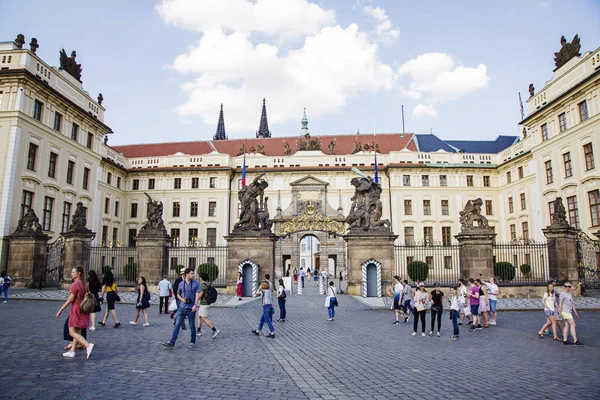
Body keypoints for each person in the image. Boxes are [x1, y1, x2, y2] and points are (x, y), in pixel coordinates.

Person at [56, 266, 95, 359]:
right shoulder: (84, 284)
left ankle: (88, 345)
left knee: (72, 332)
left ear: (79, 273)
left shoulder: (75, 284)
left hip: (76, 310)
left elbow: (71, 299)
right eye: (72, 272)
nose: (71, 273)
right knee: (78, 331)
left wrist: (61, 309)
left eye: (73, 272)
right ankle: (72, 351)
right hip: (82, 310)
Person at [163, 268, 201, 349]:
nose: (193, 275)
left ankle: (192, 341)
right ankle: (172, 342)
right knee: (177, 325)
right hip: (182, 307)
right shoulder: (181, 283)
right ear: (187, 274)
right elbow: (178, 294)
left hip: (191, 308)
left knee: (191, 325)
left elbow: (197, 294)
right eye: (191, 273)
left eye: (193, 273)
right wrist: (182, 299)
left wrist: (195, 304)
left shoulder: (196, 284)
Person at [558, 282, 583, 346]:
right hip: (565, 312)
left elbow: (572, 303)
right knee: (573, 325)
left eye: (569, 286)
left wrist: (575, 311)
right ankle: (575, 341)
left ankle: (565, 340)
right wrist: (559, 312)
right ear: (564, 287)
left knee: (567, 325)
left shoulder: (569, 293)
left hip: (569, 311)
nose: (568, 288)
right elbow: (560, 304)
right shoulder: (562, 294)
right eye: (566, 286)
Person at [196, 272, 220, 338]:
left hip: (204, 303)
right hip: (205, 303)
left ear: (201, 278)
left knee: (204, 318)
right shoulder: (208, 283)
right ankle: (198, 331)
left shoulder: (203, 285)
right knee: (199, 316)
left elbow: (200, 295)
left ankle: (215, 330)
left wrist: (195, 302)